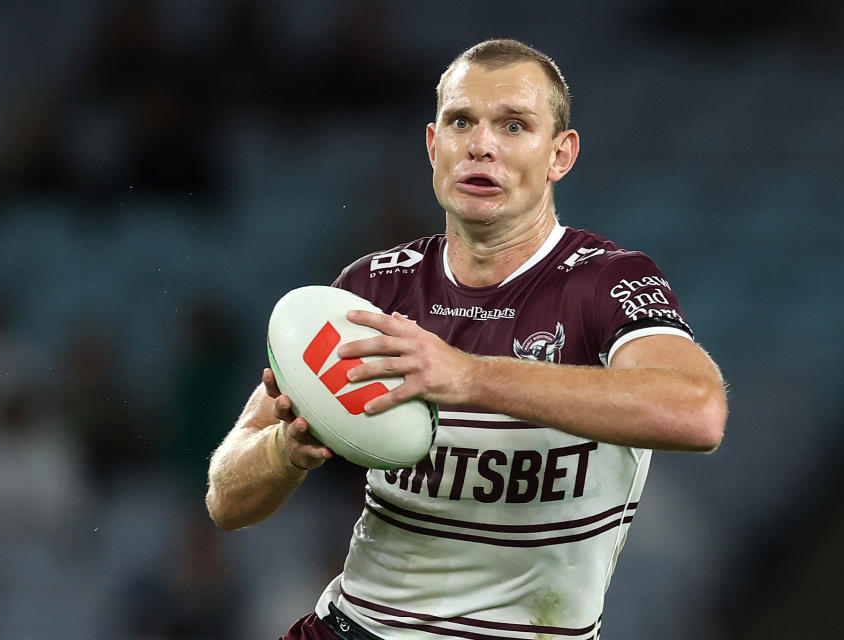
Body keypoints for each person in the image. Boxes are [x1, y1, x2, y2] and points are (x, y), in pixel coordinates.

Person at [206, 38, 727, 640]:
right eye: (461, 122)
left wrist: (470, 376)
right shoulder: (373, 290)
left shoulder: (605, 283)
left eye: (513, 125)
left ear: (561, 154)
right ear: (434, 146)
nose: (482, 145)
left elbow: (699, 412)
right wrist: (283, 454)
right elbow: (226, 499)